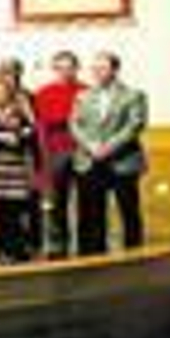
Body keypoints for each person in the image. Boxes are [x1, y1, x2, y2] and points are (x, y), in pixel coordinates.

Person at [72, 51, 148, 255]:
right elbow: (75, 124)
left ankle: (135, 254)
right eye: (94, 68)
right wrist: (90, 146)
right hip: (90, 160)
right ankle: (94, 256)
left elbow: (135, 125)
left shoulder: (133, 95)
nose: (97, 72)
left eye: (102, 68)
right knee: (93, 213)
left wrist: (108, 148)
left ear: (115, 69)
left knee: (129, 211)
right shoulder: (83, 95)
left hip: (123, 161)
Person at [0, 76, 41, 264]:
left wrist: (19, 136)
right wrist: (4, 137)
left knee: (15, 212)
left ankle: (15, 248)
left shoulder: (20, 113)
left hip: (16, 170)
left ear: (9, 93)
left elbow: (31, 132)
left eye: (3, 92)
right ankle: (1, 248)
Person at [33, 51, 86, 260]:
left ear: (76, 68)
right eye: (60, 67)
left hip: (83, 151)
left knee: (86, 202)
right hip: (56, 153)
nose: (65, 71)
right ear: (54, 69)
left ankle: (86, 244)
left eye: (69, 67)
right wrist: (44, 159)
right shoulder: (43, 93)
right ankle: (60, 244)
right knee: (57, 203)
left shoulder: (86, 91)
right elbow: (43, 125)